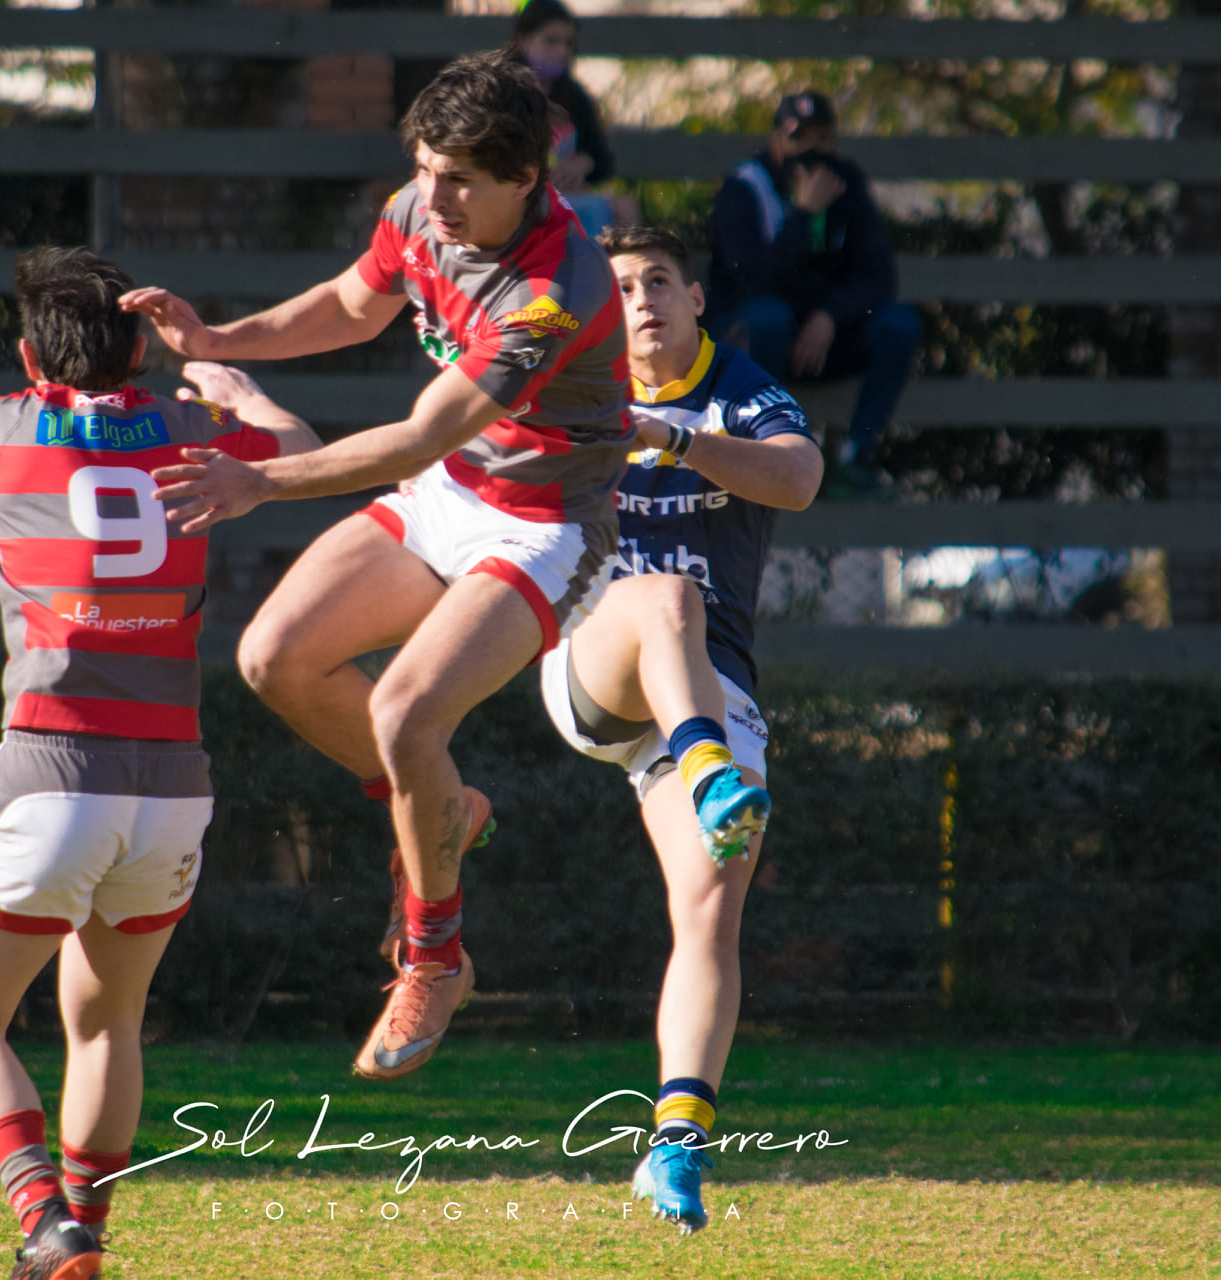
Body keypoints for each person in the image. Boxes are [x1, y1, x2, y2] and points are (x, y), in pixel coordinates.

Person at [123, 53, 759, 1082]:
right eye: (424, 168)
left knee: (405, 716)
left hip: (543, 524)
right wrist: (215, 334)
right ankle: (443, 808)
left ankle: (435, 954)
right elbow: (352, 301)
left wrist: (262, 484)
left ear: (526, 179)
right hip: (451, 492)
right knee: (273, 657)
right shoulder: (423, 207)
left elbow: (419, 434)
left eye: (459, 178)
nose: (434, 196)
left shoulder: (555, 292)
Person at [0, 247, 318, 1280]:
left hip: (50, 762)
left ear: (24, 351)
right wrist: (237, 385)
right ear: (140, 345)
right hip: (173, 779)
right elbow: (297, 451)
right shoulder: (194, 428)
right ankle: (84, 1239)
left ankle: (42, 1216)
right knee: (106, 1021)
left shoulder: (0, 425)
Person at [544, 224, 822, 1232]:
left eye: (657, 281)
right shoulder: (573, 390)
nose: (640, 300)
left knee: (708, 902)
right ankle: (708, 770)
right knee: (660, 594)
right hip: (595, 665)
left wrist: (668, 435)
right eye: (617, 287)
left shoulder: (738, 388)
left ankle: (675, 1144)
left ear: (696, 297)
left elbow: (795, 478)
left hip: (709, 688)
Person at [707, 91, 922, 498]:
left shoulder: (848, 184)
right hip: (753, 337)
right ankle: (763, 453)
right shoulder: (743, 190)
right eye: (798, 137)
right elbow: (752, 281)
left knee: (899, 324)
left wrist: (829, 315)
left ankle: (856, 456)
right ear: (776, 142)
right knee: (768, 316)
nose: (811, 150)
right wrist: (803, 215)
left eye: (822, 138)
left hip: (824, 337)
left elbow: (878, 278)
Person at [508, 0, 619, 238]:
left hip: (569, 195)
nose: (562, 51)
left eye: (568, 43)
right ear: (523, 39)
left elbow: (601, 160)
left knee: (622, 208)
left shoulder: (573, 95)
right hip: (520, 196)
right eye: (551, 41)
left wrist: (580, 165)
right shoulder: (504, 91)